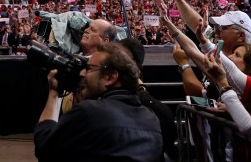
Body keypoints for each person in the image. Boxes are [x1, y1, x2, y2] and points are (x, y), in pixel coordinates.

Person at [34, 42, 163, 161]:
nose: (82, 73)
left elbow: (44, 147)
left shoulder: (89, 112)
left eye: (89, 68)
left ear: (110, 77)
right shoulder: (151, 118)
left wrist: (53, 93)